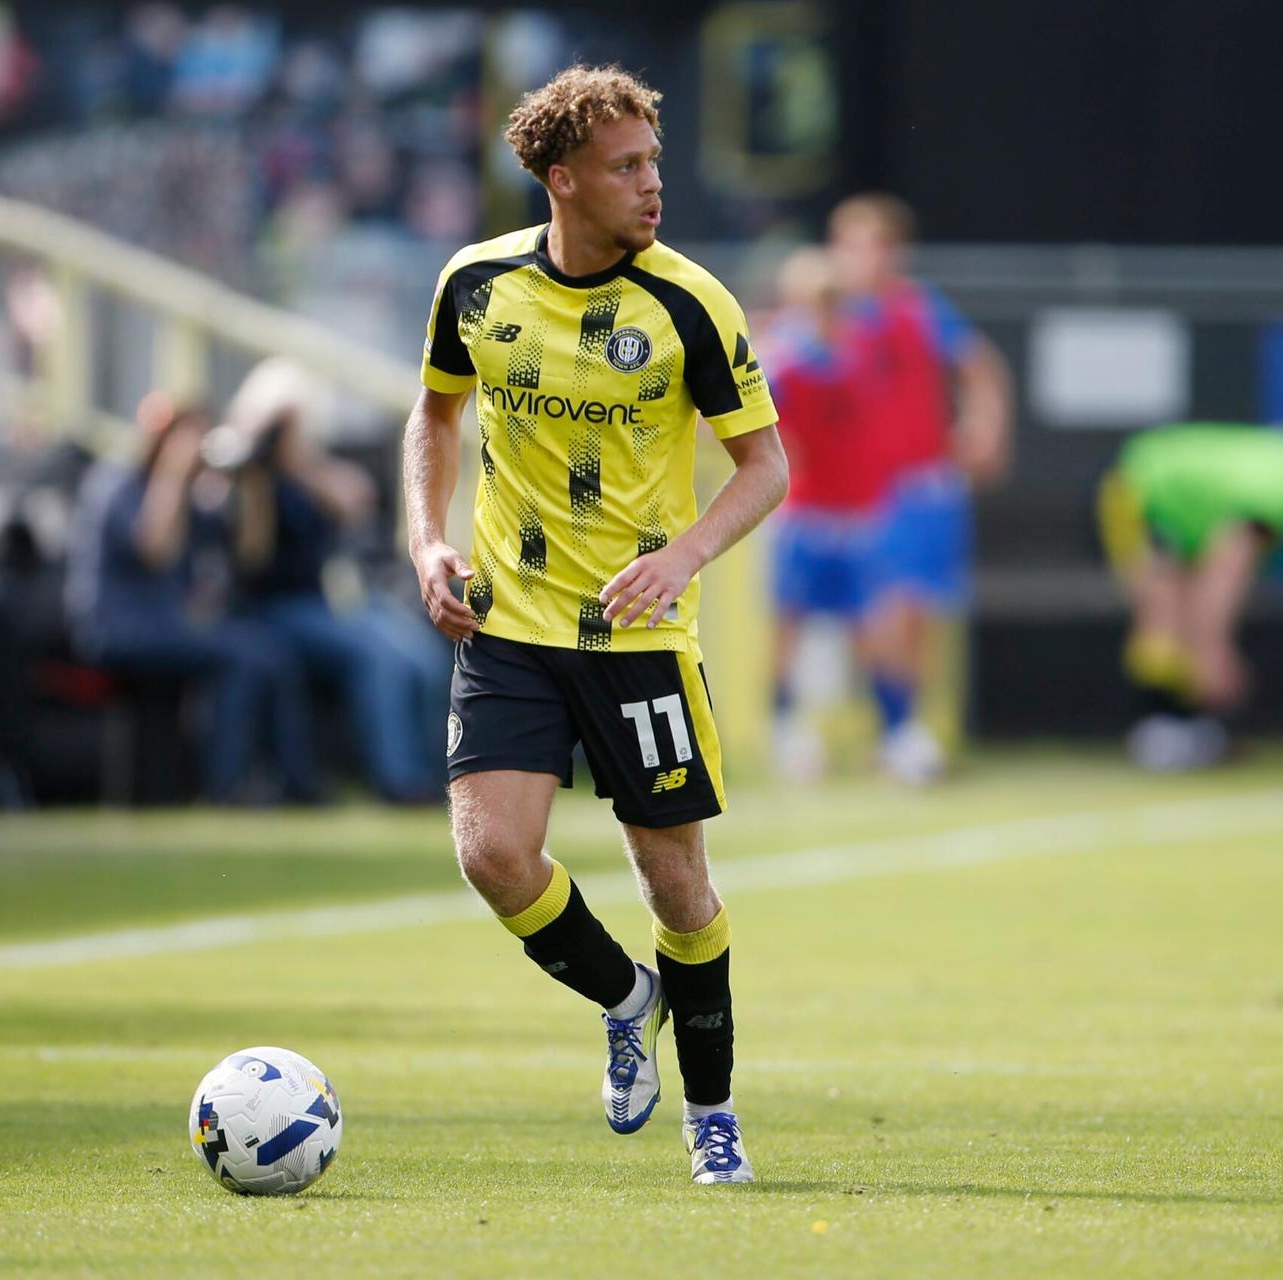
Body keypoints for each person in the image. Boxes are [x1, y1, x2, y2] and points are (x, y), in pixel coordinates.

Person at [403, 65, 787, 1184]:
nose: (652, 184)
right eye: (628, 167)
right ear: (561, 178)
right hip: (510, 624)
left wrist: (682, 556)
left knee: (680, 890)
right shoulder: (475, 283)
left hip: (639, 641)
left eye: (654, 161)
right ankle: (628, 999)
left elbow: (765, 466)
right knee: (493, 853)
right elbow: (433, 411)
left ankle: (712, 1117)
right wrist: (429, 542)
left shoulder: (692, 303)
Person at [827, 193, 1014, 784]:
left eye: (878, 244)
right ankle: (898, 729)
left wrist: (985, 426)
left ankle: (901, 731)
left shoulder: (920, 308)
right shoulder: (828, 313)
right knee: (883, 608)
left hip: (924, 481)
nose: (867, 257)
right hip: (861, 489)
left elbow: (981, 366)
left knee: (918, 612)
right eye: (855, 244)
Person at [64, 393, 321, 804]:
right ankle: (226, 786)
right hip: (119, 628)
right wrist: (173, 473)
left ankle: (296, 784)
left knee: (269, 650)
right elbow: (156, 549)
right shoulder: (116, 482)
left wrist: (251, 481)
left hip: (168, 623)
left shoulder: (186, 492)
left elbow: (250, 553)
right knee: (246, 656)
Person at [221, 366, 450, 804]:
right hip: (275, 606)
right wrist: (260, 456)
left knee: (420, 654)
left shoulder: (306, 470)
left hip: (327, 601)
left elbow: (355, 500)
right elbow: (252, 553)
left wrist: (295, 460)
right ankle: (399, 780)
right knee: (379, 657)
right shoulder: (248, 475)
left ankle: (435, 774)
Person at [1098, 423, 1283, 771]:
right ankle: (1159, 730)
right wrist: (1215, 652)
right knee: (1162, 610)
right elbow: (1223, 576)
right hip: (1140, 491)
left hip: (1170, 501)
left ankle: (1184, 725)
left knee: (1179, 612)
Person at [761, 247, 887, 782]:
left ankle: (895, 732)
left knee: (869, 626)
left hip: (856, 514)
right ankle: (788, 733)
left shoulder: (862, 359)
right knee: (788, 624)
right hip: (804, 515)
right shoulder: (783, 364)